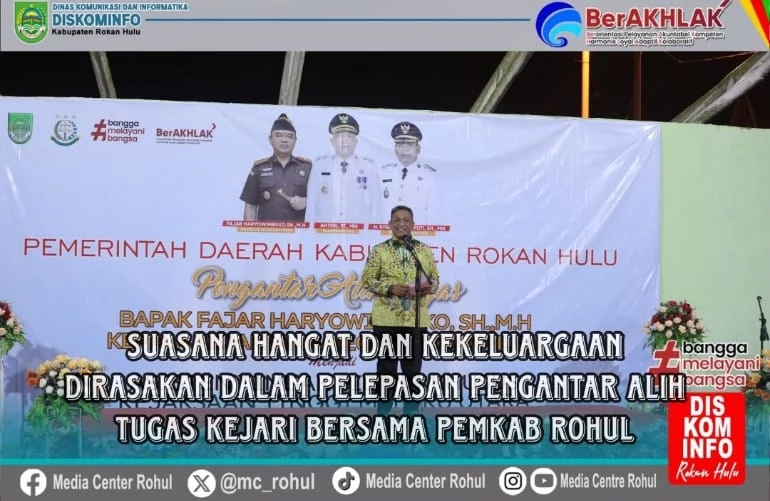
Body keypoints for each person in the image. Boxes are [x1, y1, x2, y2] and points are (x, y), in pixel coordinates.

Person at [360, 205, 440, 415]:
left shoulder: (423, 250)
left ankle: (411, 413)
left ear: (413, 225)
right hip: (386, 319)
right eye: (397, 220)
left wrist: (424, 288)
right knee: (386, 368)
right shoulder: (379, 250)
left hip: (415, 319)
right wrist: (390, 288)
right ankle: (383, 413)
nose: (401, 223)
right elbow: (367, 280)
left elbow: (434, 279)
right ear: (390, 224)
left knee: (413, 369)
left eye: (406, 220)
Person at [305, 113, 382, 223]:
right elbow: (311, 205)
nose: (344, 141)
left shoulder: (369, 168)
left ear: (356, 142)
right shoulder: (320, 166)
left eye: (349, 136)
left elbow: (376, 207)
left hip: (360, 231)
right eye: (339, 136)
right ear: (332, 141)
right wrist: (309, 231)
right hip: (326, 231)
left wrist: (375, 232)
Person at [239, 113, 312, 222]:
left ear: (295, 141)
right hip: (266, 231)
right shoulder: (259, 168)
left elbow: (321, 202)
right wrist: (249, 231)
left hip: (299, 232)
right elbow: (250, 206)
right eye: (279, 135)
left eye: (289, 136)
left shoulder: (308, 168)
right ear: (270, 139)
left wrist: (306, 202)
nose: (284, 140)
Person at [380, 121, 441, 224]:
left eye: (410, 144)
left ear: (418, 149)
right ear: (395, 149)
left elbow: (434, 215)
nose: (405, 149)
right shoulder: (383, 173)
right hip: (387, 231)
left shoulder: (428, 176)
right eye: (400, 144)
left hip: (418, 232)